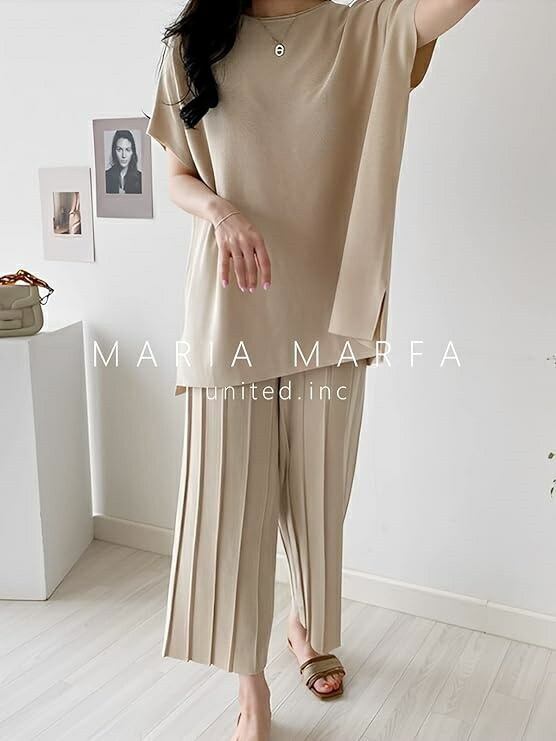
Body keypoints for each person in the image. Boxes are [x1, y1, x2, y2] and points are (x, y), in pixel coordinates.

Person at [146, 0, 479, 738]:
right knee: (228, 506)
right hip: (230, 301)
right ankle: (250, 687)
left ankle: (305, 625)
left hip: (329, 311)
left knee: (318, 497)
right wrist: (222, 212)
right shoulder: (195, 42)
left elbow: (440, 13)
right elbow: (174, 174)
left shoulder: (357, 30)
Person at [105, 129, 142, 194]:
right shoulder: (106, 177)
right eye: (119, 149)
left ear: (132, 152)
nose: (124, 155)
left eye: (128, 150)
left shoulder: (141, 178)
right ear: (114, 151)